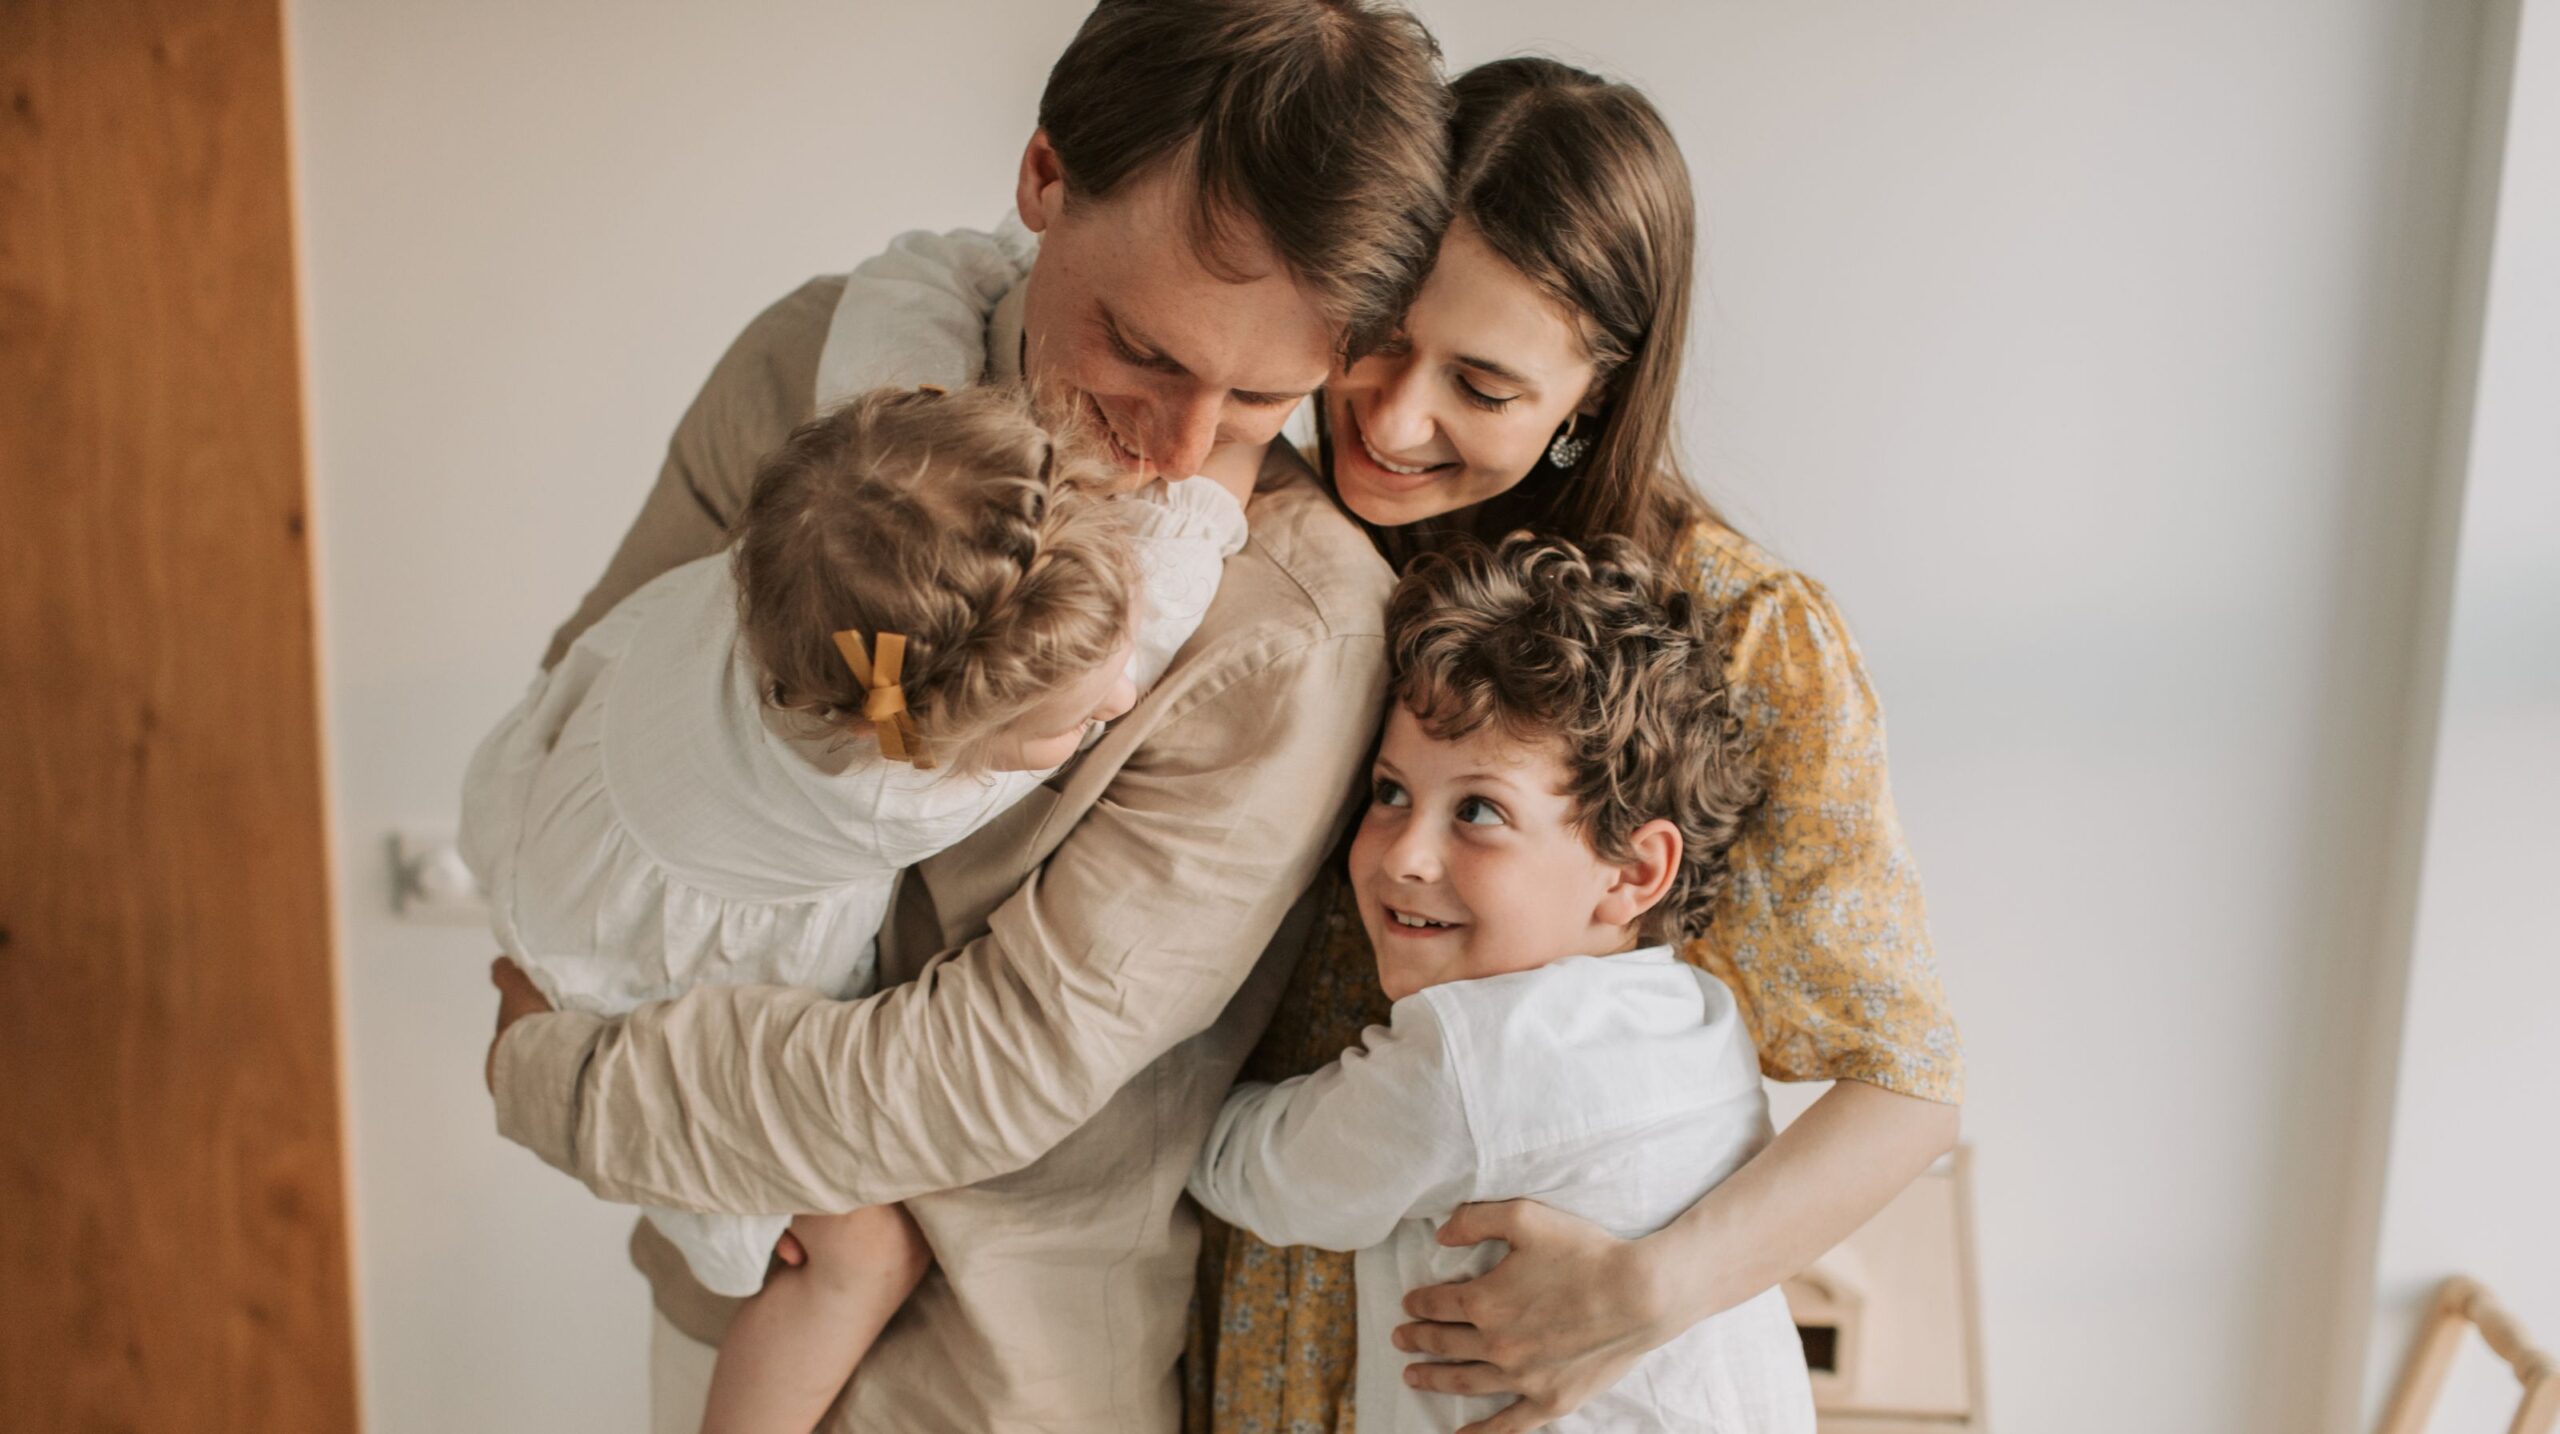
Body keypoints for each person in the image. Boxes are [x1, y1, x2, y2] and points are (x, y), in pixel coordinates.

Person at [479, 2, 1451, 1431]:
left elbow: (994, 1066)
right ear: (1045, 175)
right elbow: (599, 706)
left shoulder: (1292, 633)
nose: (1180, 449)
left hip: (993, 1382)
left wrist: (559, 1078)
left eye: (1261, 397)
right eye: (1142, 349)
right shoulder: (804, 367)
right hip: (716, 1296)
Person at [1190, 56, 1964, 1434]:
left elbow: (1904, 1088)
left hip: (1511, 1360)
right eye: (1379, 335)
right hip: (1235, 1316)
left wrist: (1642, 1296)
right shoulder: (1256, 529)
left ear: (1592, 393)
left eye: (1482, 385)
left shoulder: (1741, 636)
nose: (1392, 415)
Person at [460, 385, 1250, 1434]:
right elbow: (1181, 571)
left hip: (560, 841)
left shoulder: (828, 531)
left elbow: (896, 319)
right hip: (623, 968)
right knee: (861, 1250)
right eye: (1067, 726)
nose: (1119, 701)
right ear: (929, 734)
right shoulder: (890, 787)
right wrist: (1245, 440)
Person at [1187, 532, 1817, 1434]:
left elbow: (1266, 1176)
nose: (1404, 855)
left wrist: (1170, 1073)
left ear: (1635, 872)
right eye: (1390, 792)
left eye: (1478, 810)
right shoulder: (1698, 1017)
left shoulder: (1474, 1056)